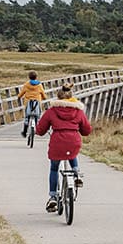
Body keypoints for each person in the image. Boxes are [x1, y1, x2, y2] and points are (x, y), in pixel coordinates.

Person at [35, 84, 91, 212]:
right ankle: (76, 173)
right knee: (72, 153)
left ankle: (53, 196)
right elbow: (86, 130)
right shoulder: (78, 111)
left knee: (54, 168)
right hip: (73, 141)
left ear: (58, 97)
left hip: (57, 142)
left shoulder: (51, 111)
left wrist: (38, 131)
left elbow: (41, 129)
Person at [17, 71, 47, 137]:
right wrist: (44, 98)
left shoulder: (26, 84)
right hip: (37, 103)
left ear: (29, 77)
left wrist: (19, 97)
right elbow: (44, 95)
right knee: (38, 117)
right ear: (36, 77)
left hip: (28, 103)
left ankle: (24, 131)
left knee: (27, 117)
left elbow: (21, 93)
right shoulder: (39, 85)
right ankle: (38, 130)